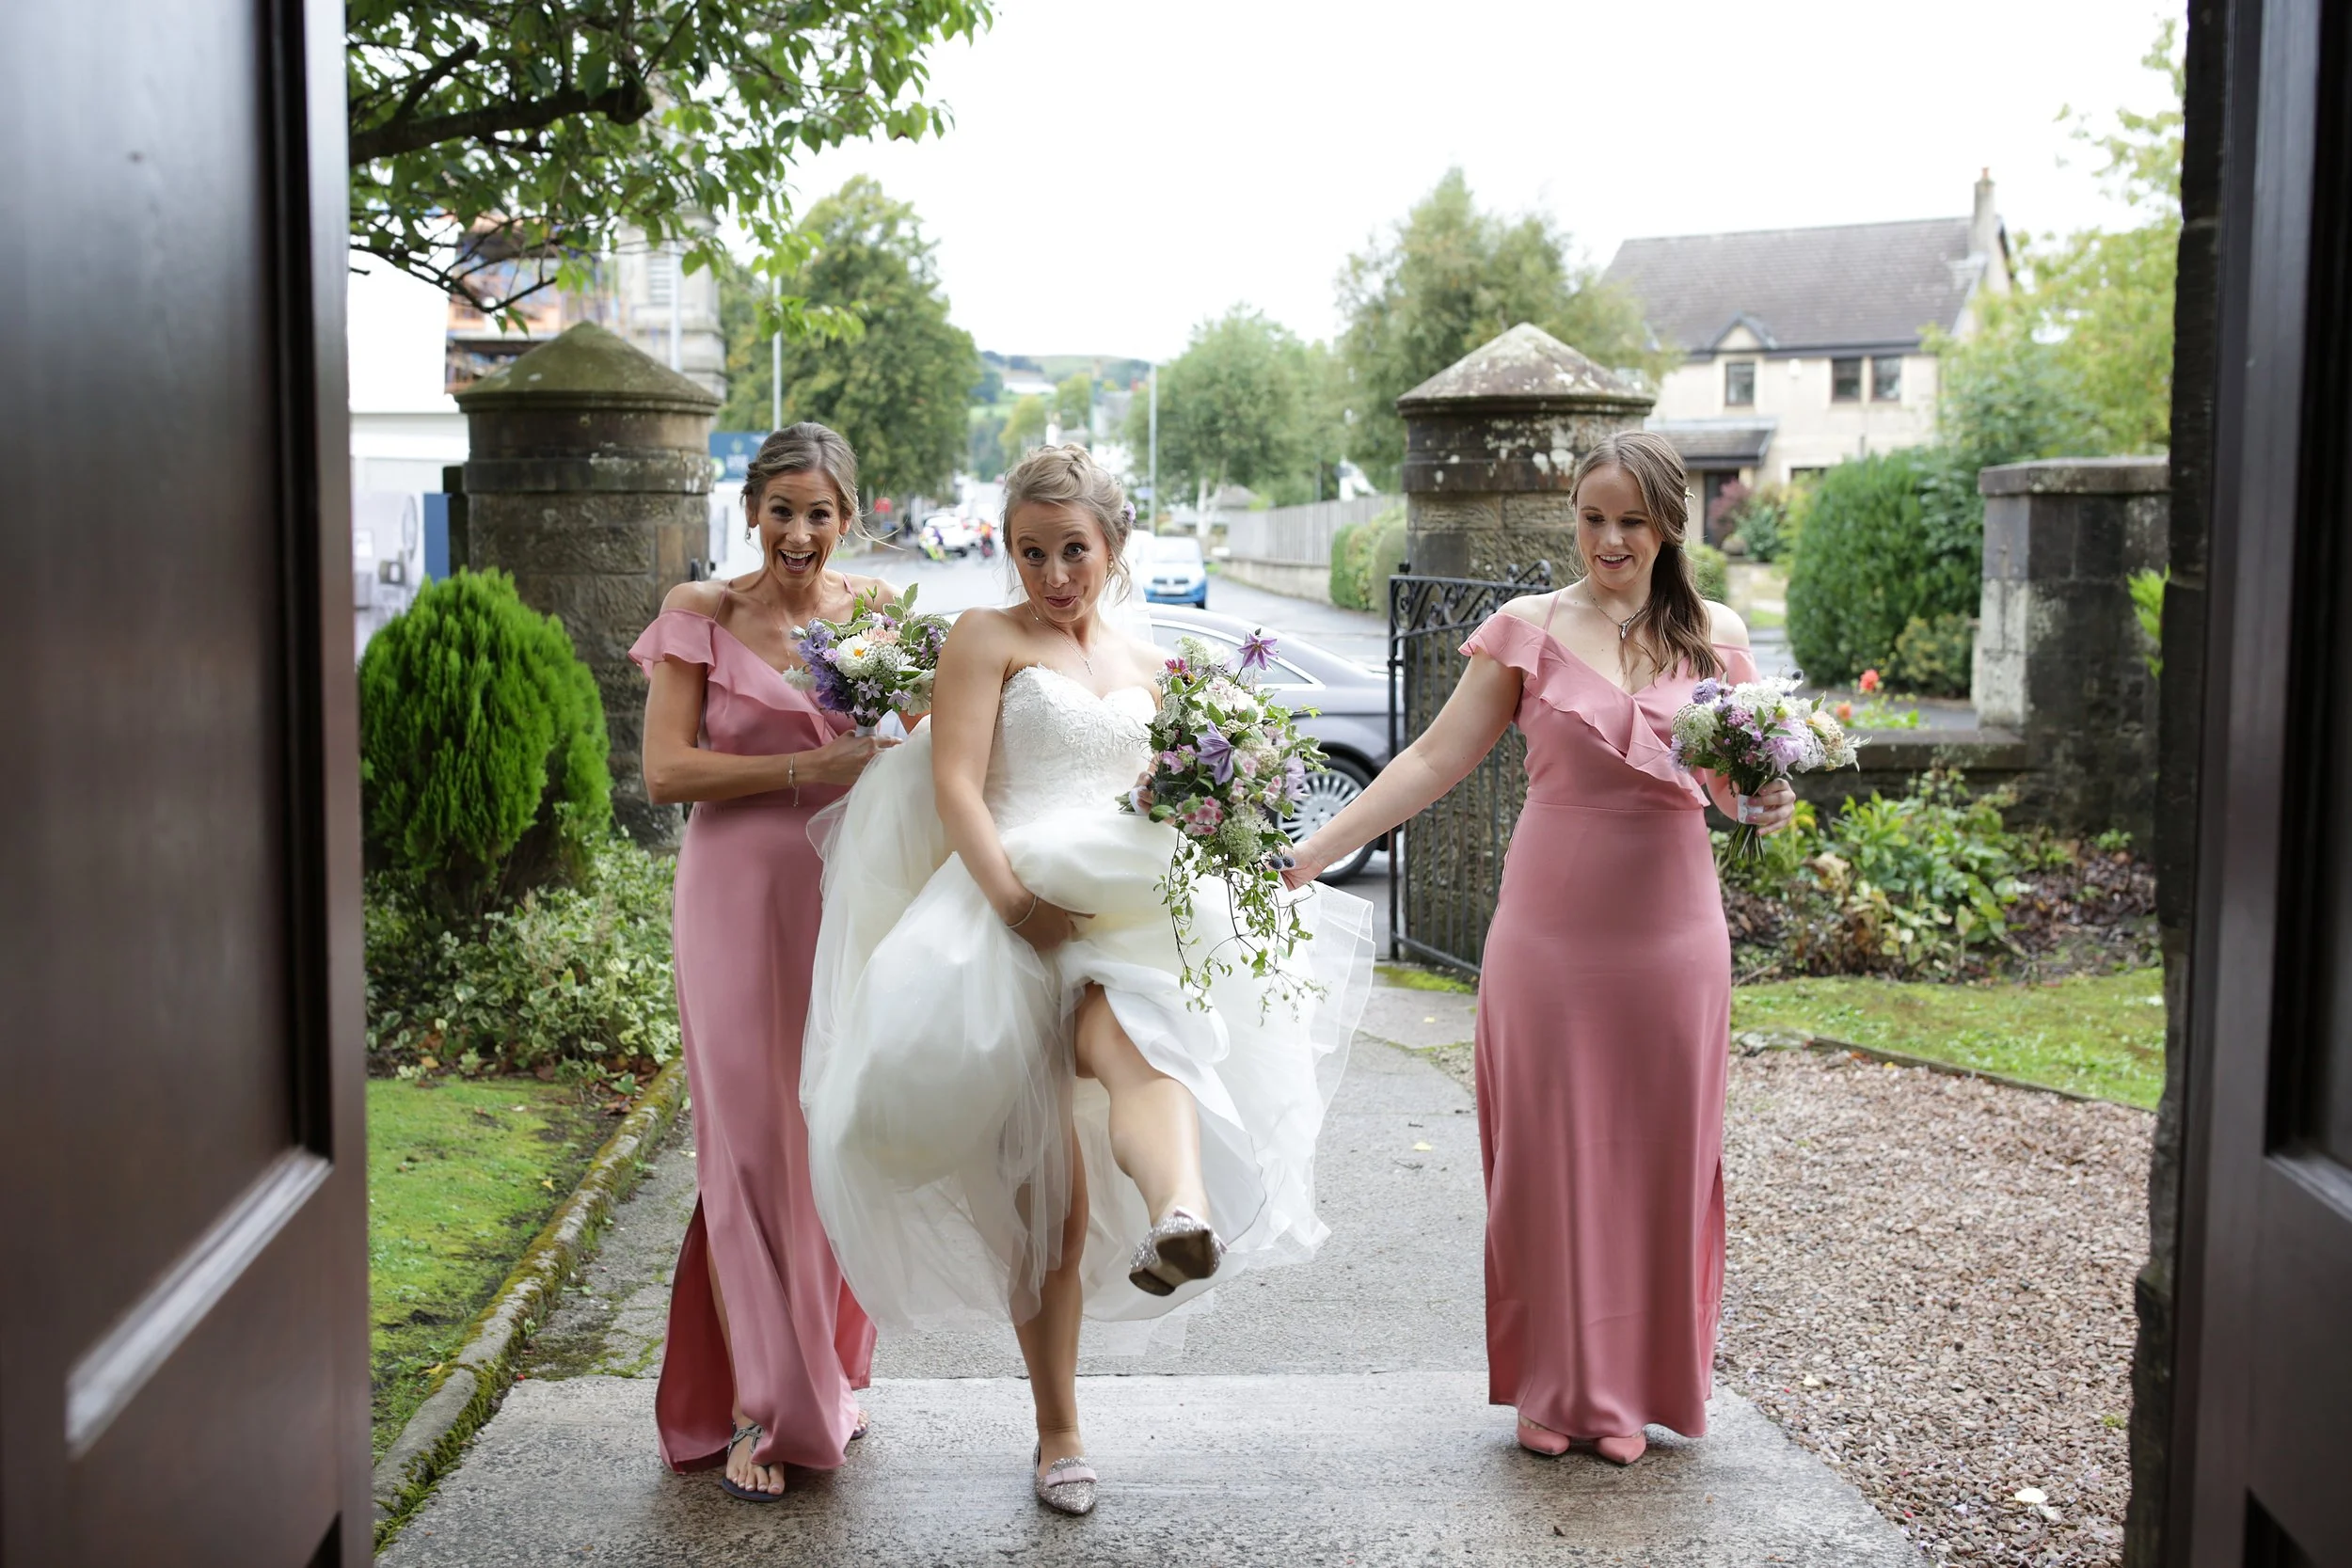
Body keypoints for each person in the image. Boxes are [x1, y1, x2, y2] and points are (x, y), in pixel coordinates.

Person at [803, 445, 1374, 1515]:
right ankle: (1056, 1428)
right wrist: (1015, 903)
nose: (1052, 572)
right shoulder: (987, 638)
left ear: (1111, 547)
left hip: (1122, 904)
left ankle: (1178, 1211)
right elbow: (958, 786)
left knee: (1143, 1044)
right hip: (1003, 901)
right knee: (1044, 1206)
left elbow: (1166, 795)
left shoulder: (1147, 661)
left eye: (1073, 549)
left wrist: (1224, 814)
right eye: (1031, 550)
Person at [1280, 432, 1796, 1465]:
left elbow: (1745, 792)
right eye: (1592, 516)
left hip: (1671, 934)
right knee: (1547, 1157)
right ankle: (1555, 1385)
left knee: (1659, 1152)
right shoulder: (1525, 628)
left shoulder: (1716, 638)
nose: (1609, 538)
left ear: (1668, 527)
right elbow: (1431, 756)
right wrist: (1308, 852)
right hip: (1550, 931)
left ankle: (1636, 1391)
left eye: (1630, 520)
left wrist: (1773, 798)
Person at [628, 423, 898, 1501]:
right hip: (735, 898)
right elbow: (663, 771)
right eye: (781, 509)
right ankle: (760, 1402)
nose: (799, 532)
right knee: (747, 1146)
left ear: (848, 519)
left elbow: (925, 747)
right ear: (750, 510)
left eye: (819, 512)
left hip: (844, 899)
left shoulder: (876, 621)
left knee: (830, 1132)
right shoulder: (701, 614)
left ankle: (825, 1369)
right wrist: (810, 765)